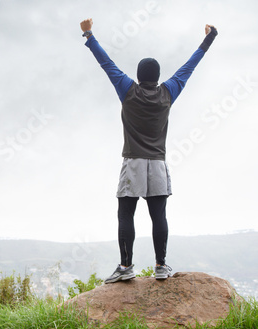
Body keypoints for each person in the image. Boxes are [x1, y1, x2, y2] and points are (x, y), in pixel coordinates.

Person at [79, 18, 218, 283]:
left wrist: (89, 35)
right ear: (156, 77)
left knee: (125, 214)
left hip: (132, 162)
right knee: (158, 216)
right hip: (157, 163)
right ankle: (161, 265)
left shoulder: (127, 89)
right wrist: (209, 38)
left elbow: (106, 63)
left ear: (139, 76)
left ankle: (125, 266)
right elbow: (190, 66)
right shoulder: (169, 92)